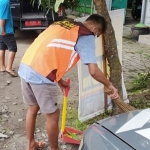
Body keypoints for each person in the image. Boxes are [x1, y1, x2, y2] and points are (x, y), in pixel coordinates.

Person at [18, 14, 119, 150]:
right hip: (41, 73)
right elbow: (93, 71)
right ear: (95, 29)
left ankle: (30, 144)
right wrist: (110, 85)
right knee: (53, 115)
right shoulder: (85, 35)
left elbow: (50, 51)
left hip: (26, 65)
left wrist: (59, 80)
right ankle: (55, 148)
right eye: (98, 34)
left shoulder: (63, 24)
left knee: (32, 109)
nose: (96, 37)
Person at [0, 0, 17, 77]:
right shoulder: (5, 2)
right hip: (6, 30)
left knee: (2, 47)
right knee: (13, 48)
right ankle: (9, 67)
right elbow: (2, 18)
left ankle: (2, 66)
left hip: (1, 30)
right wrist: (3, 30)